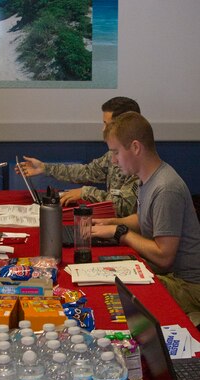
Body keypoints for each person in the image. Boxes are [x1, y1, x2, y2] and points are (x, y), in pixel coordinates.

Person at [92, 112, 200, 324]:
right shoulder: (147, 178)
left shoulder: (166, 188)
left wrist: (120, 233)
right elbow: (144, 220)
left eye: (115, 152)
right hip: (171, 276)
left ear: (135, 147)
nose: (113, 160)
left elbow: (163, 256)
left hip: (188, 286)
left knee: (117, 295)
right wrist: (112, 223)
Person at [19, 96, 141, 217]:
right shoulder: (113, 155)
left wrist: (86, 192)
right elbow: (87, 172)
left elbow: (125, 208)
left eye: (107, 124)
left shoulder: (139, 161)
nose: (103, 129)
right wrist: (44, 168)